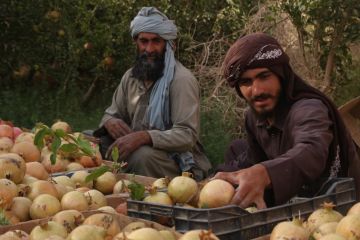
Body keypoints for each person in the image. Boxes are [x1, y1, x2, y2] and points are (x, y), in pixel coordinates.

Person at [214, 32, 360, 209]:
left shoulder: (309, 109)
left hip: (336, 208)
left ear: (281, 75)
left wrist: (265, 173)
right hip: (291, 204)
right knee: (236, 149)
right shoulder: (253, 117)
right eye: (246, 82)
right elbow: (254, 158)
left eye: (264, 76)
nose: (257, 90)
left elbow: (311, 149)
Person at [93, 7, 212, 180]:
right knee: (89, 142)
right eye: (144, 41)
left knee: (142, 156)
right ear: (136, 42)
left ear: (169, 44)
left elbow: (187, 135)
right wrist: (110, 122)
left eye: (156, 41)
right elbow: (111, 114)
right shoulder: (130, 77)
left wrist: (145, 136)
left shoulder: (181, 80)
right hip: (138, 149)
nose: (149, 49)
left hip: (176, 160)